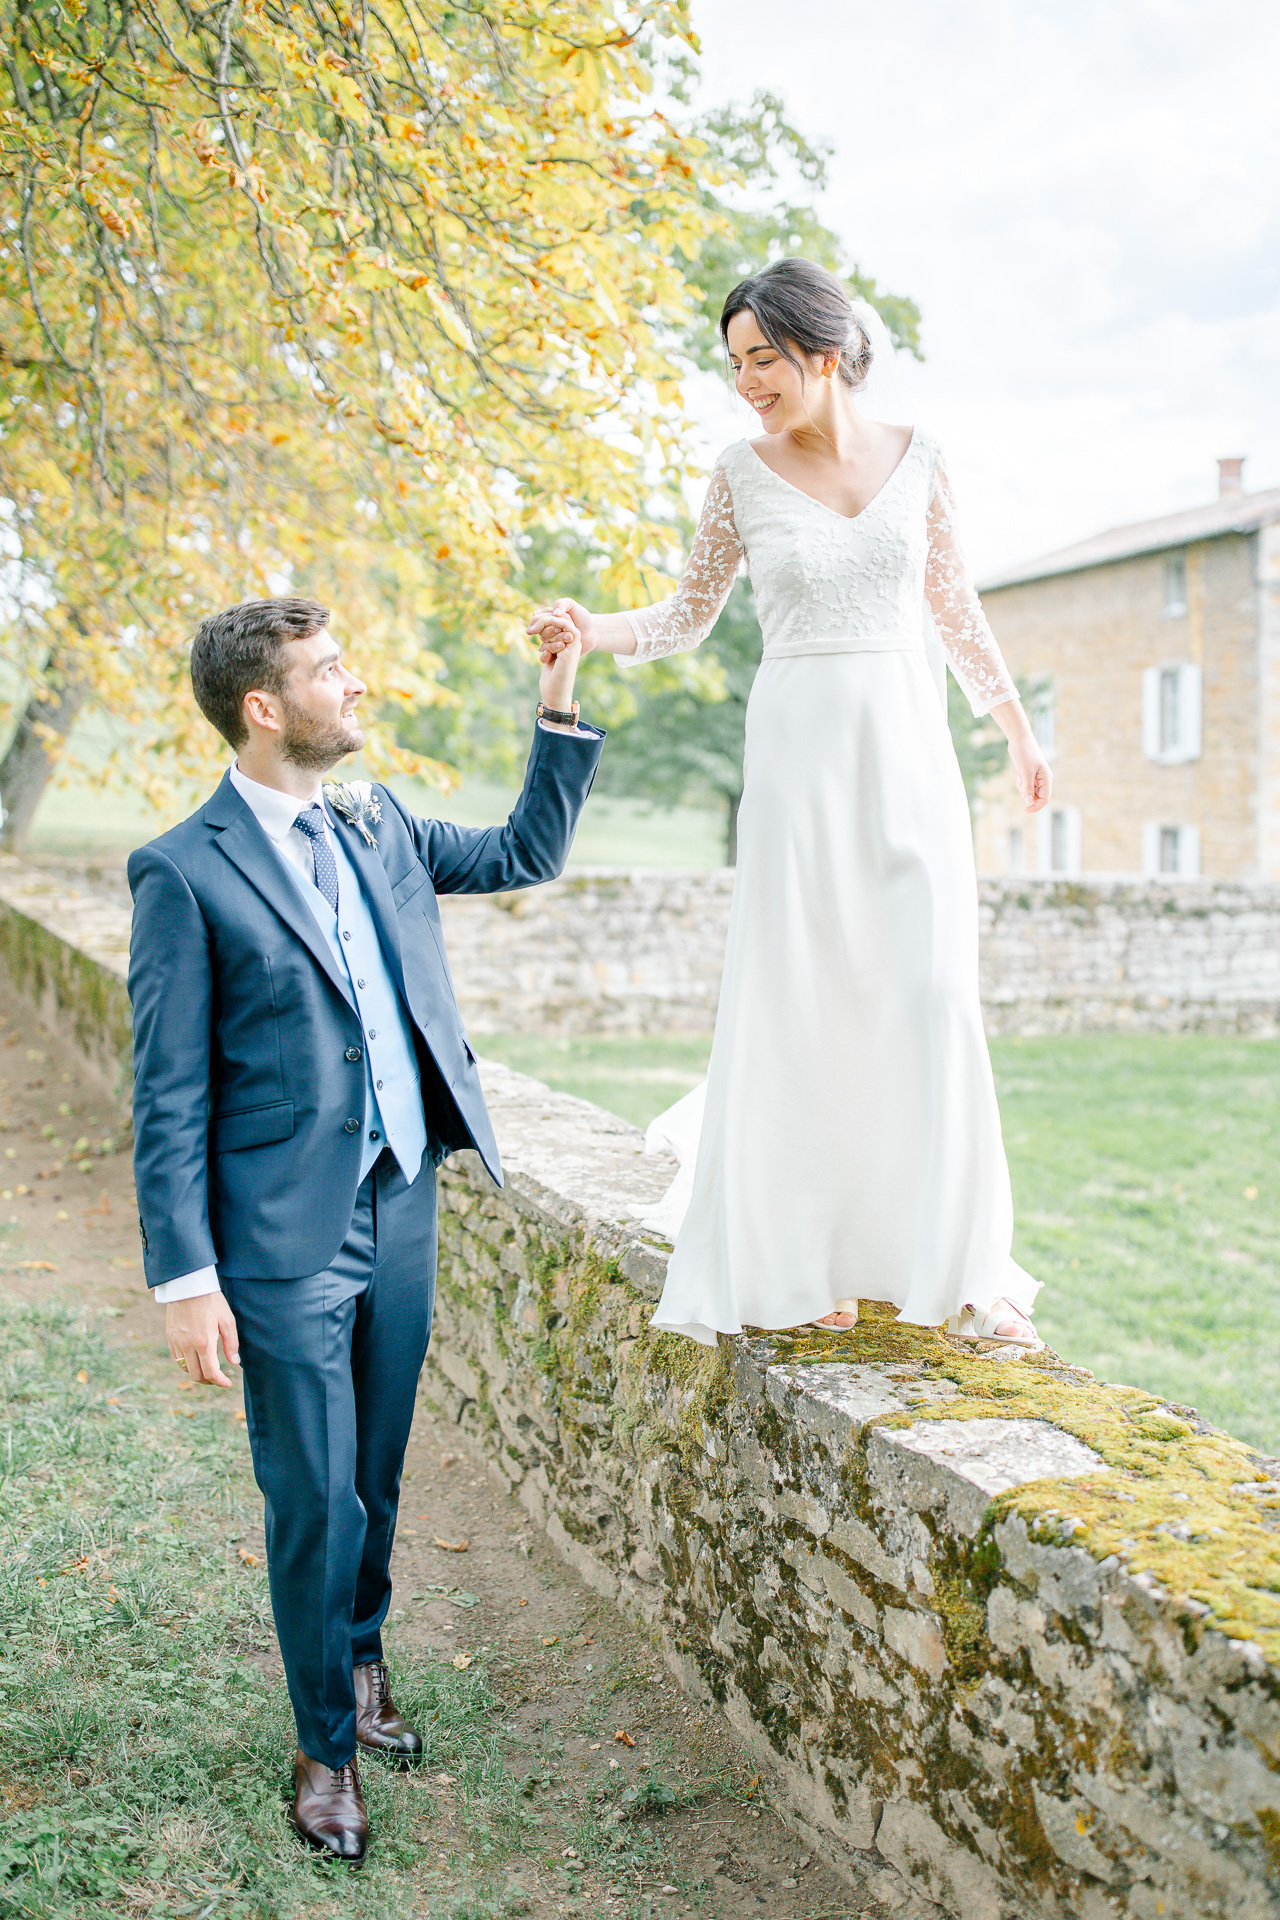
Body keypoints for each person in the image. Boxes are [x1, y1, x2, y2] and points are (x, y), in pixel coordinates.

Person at [128, 597, 599, 1863]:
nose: (357, 685)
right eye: (331, 671)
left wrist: (556, 709)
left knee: (377, 1471)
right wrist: (185, 1276)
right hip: (279, 1237)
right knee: (311, 1495)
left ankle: (367, 1658)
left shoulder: (378, 821)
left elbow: (520, 855)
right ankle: (323, 1745)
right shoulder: (182, 870)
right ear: (264, 707)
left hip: (403, 1200)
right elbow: (167, 1096)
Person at [529, 257, 1050, 1350]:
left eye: (760, 359)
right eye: (733, 364)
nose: (745, 382)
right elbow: (682, 614)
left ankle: (956, 1263)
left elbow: (953, 607)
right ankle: (801, 1255)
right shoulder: (739, 470)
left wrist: (1012, 726)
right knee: (807, 994)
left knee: (927, 992)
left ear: (821, 349)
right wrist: (591, 630)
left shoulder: (924, 460)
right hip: (798, 758)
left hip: (908, 754)